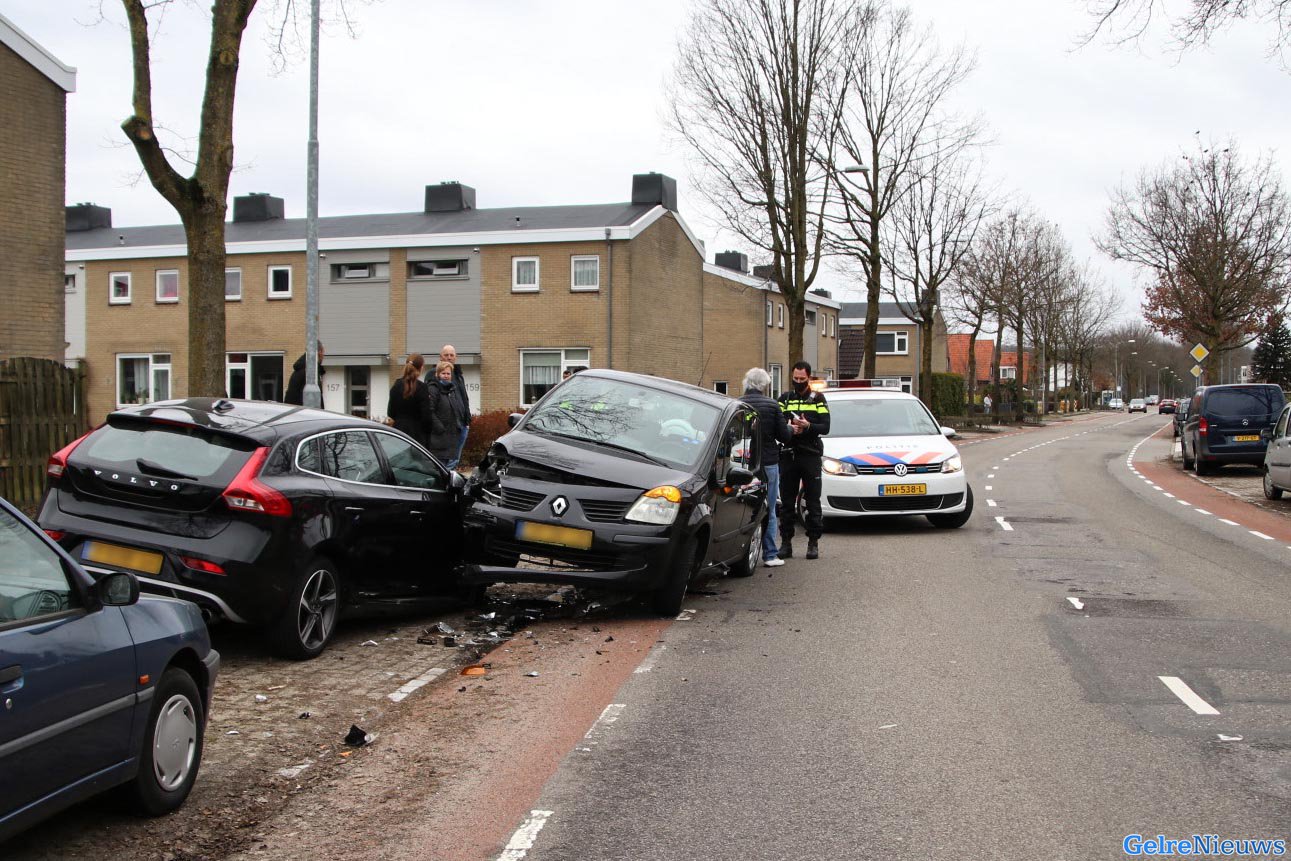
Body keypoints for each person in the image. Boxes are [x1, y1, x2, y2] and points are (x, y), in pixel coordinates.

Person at [739, 367, 793, 568]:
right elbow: (784, 436)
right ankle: (770, 554)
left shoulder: (737, 403)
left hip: (743, 464)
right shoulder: (772, 405)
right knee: (769, 509)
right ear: (764, 385)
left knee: (742, 508)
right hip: (769, 462)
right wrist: (789, 428)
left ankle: (740, 552)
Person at [777, 361, 830, 560]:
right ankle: (786, 543)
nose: (798, 382)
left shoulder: (818, 398)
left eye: (802, 379)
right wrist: (790, 427)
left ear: (809, 378)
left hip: (810, 454)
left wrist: (807, 426)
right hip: (789, 454)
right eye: (795, 378)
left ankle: (813, 542)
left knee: (813, 500)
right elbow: (778, 423)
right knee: (787, 501)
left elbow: (826, 426)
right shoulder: (784, 398)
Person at [432, 344, 472, 468]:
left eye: (451, 355)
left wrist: (467, 418)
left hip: (462, 424)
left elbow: (463, 398)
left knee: (455, 459)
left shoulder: (459, 375)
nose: (449, 357)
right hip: (448, 427)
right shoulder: (433, 375)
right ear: (440, 357)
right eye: (446, 355)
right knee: (447, 461)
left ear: (456, 357)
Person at [386, 353, 433, 447]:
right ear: (421, 367)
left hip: (398, 434)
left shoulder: (396, 386)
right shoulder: (422, 388)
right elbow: (426, 417)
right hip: (417, 436)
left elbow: (390, 412)